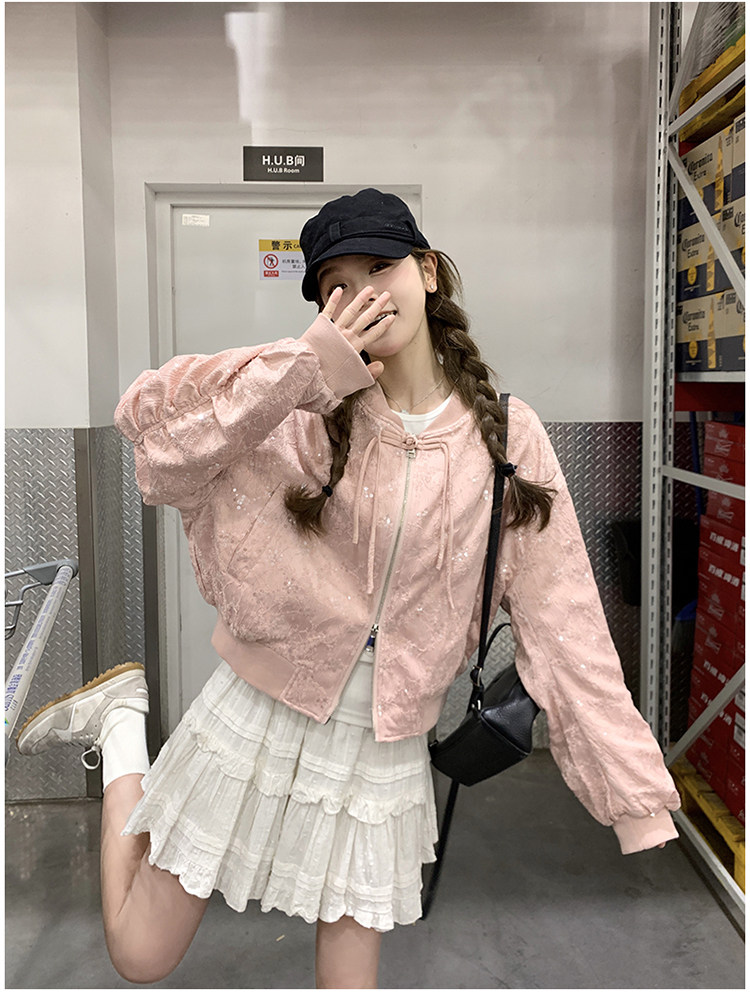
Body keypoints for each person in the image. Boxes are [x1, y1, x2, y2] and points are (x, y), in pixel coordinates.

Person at [16, 188, 681, 989]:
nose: (363, 293)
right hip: (259, 711)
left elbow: (563, 618)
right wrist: (305, 367)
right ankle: (124, 724)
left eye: (380, 267)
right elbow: (159, 453)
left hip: (385, 741)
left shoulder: (508, 438)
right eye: (338, 284)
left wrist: (633, 795)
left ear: (427, 272)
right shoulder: (299, 407)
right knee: (140, 954)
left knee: (350, 979)